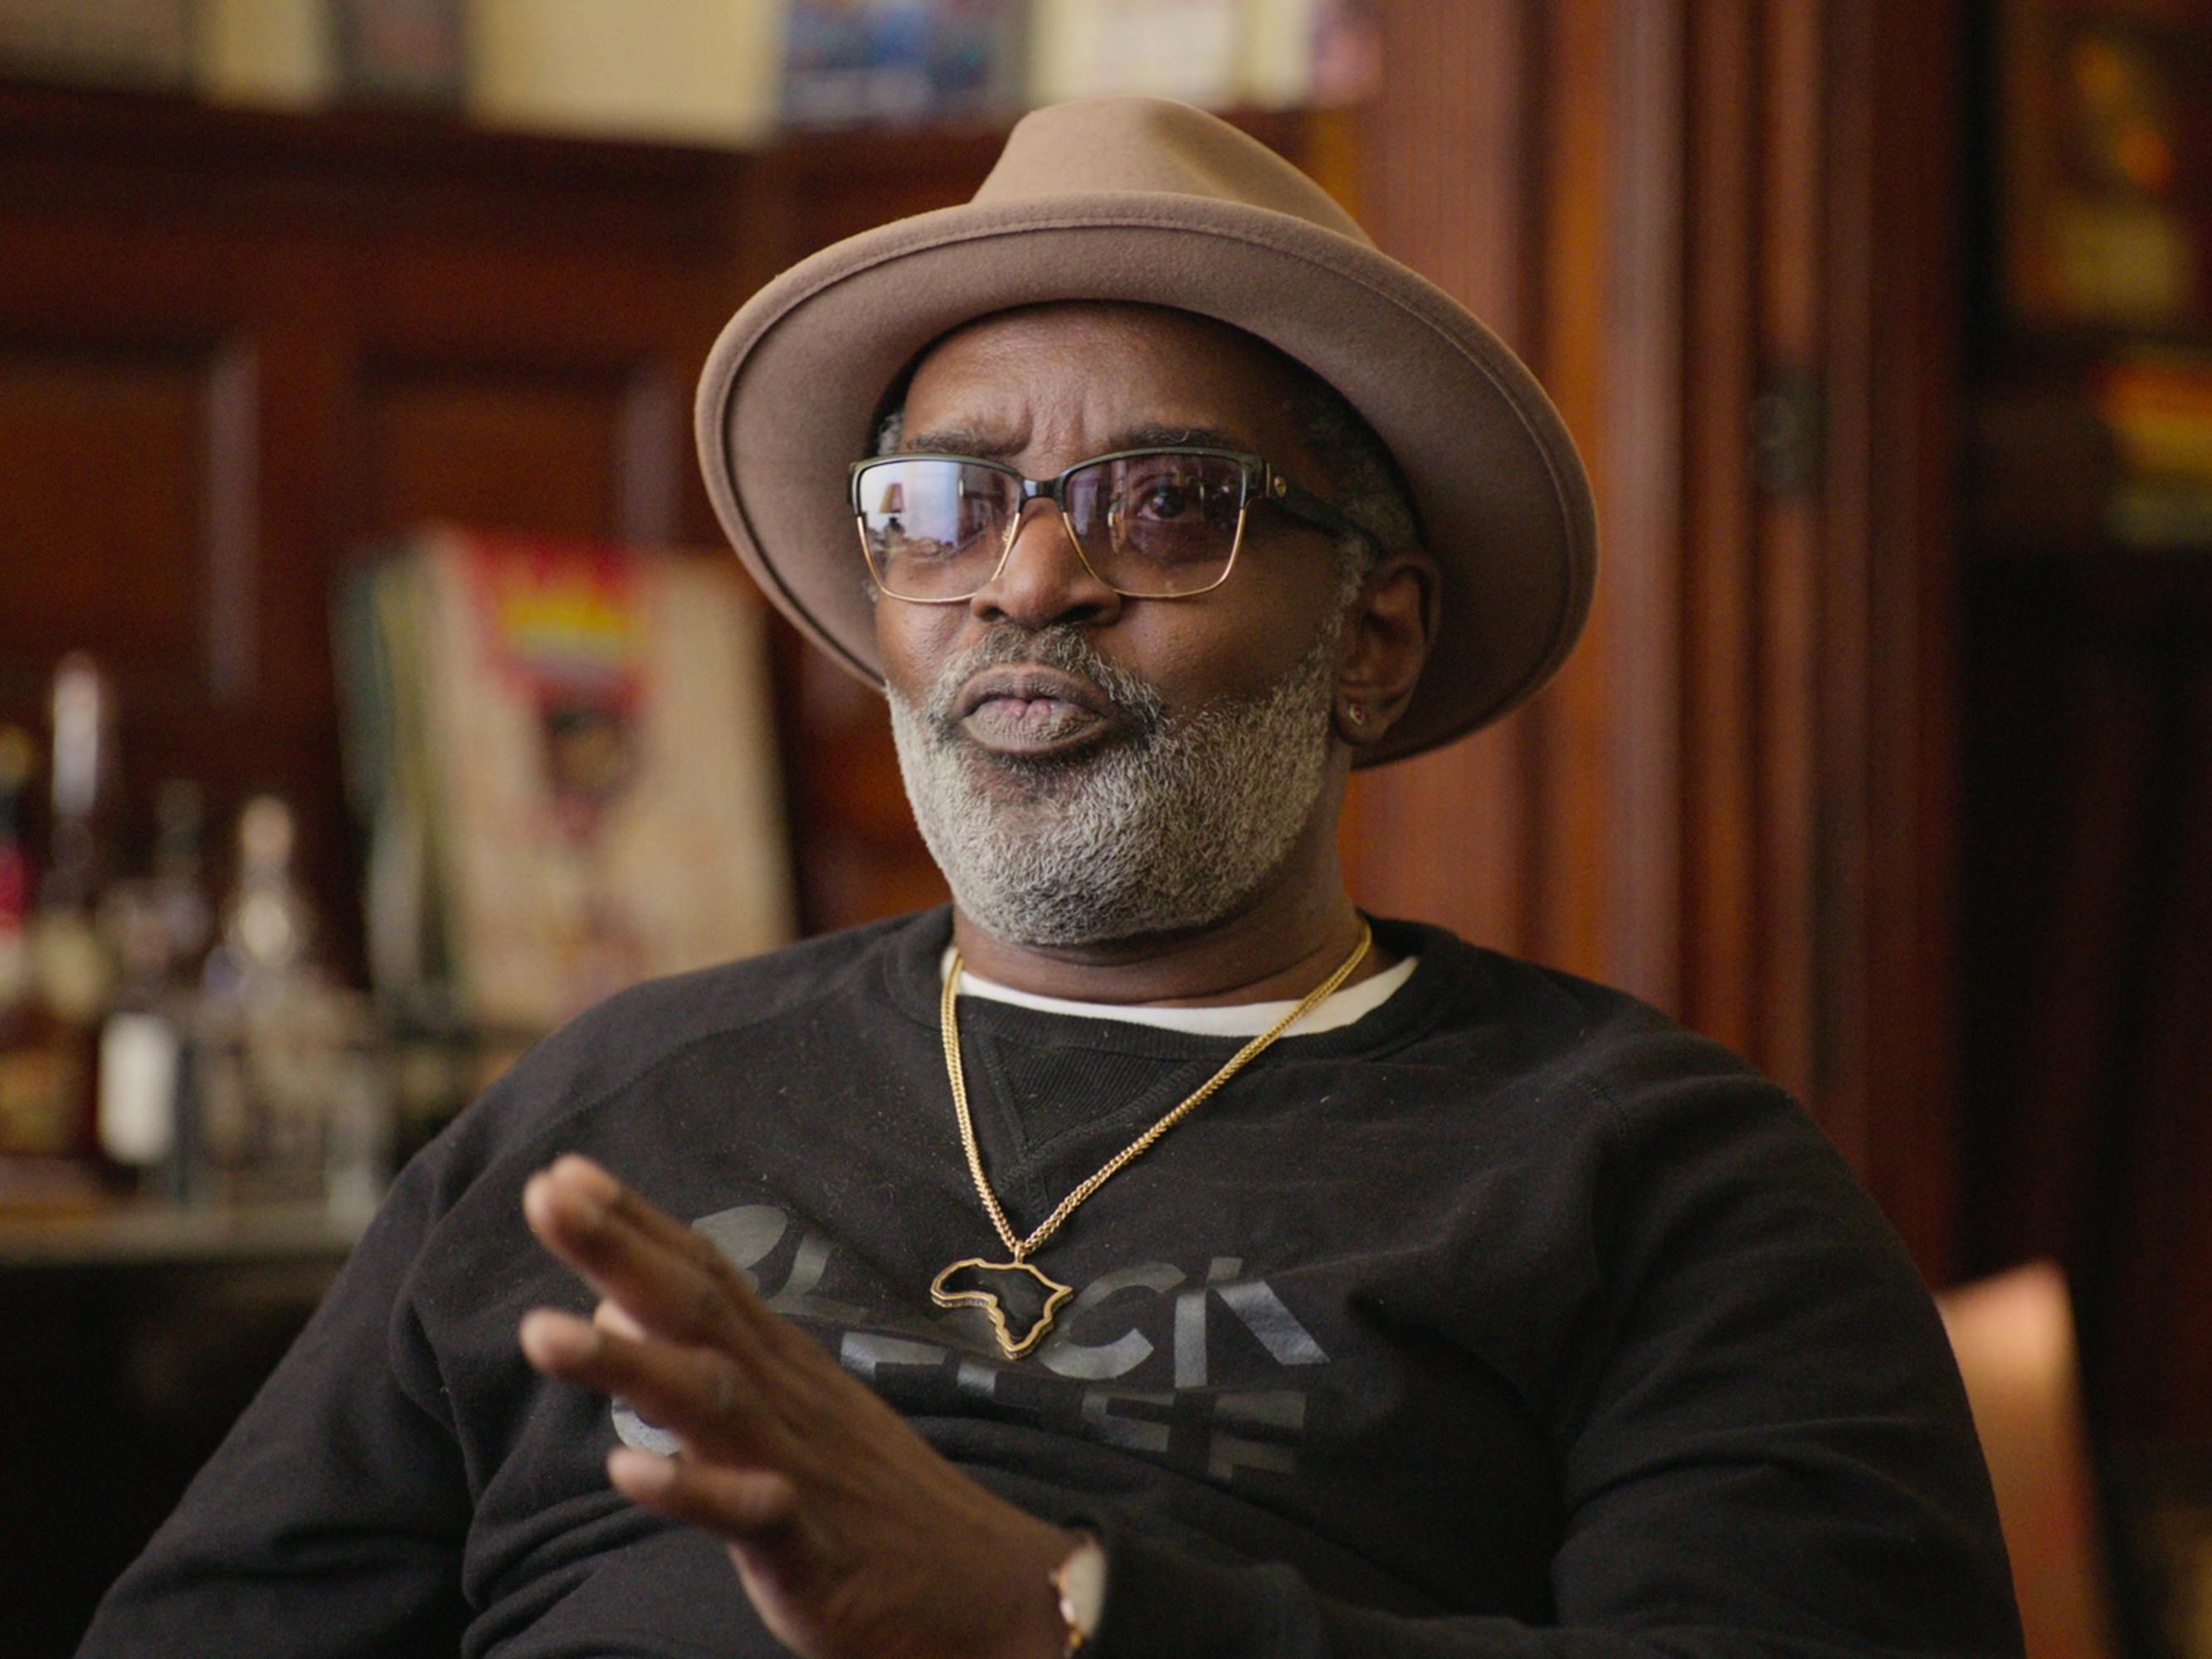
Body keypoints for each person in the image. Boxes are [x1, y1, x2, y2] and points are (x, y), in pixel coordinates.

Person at [78, 99, 2024, 1659]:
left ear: (1374, 641)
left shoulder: (1659, 1174)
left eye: (1165, 504)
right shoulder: (608, 1107)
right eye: (946, 501)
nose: (1025, 583)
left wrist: (1054, 1613)